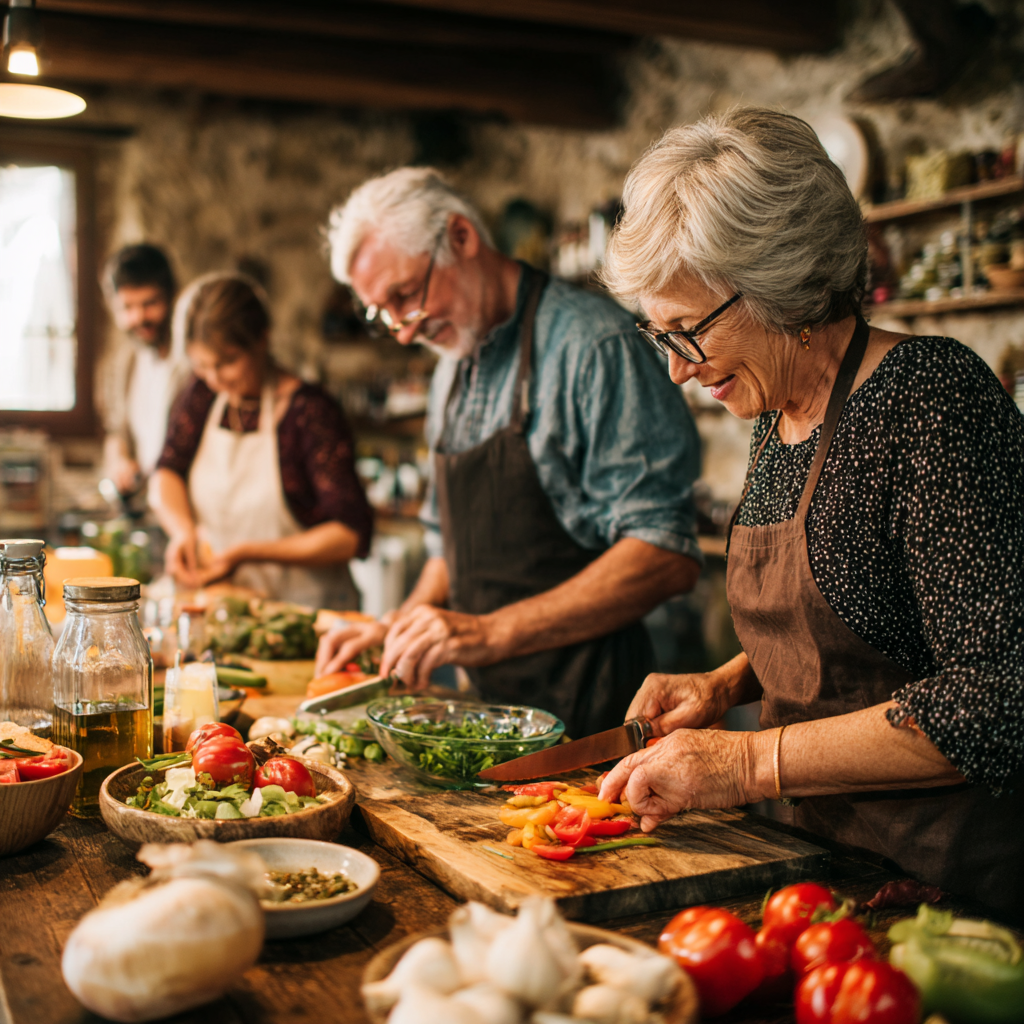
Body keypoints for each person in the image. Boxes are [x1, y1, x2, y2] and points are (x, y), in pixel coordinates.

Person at [595, 108, 1024, 921]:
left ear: (779, 279)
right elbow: (865, 611)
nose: (682, 373)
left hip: (949, 897)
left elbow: (999, 697)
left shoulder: (928, 402)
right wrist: (724, 686)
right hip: (817, 866)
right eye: (664, 339)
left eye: (690, 333)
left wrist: (744, 766)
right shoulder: (777, 412)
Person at [317, 168, 703, 737]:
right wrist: (399, 627)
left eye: (405, 297)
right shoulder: (451, 367)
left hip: (598, 718)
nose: (402, 331)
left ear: (462, 238)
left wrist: (487, 634)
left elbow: (663, 554)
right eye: (384, 314)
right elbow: (449, 545)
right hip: (487, 717)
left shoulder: (594, 347)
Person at [149, 272, 373, 608]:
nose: (214, 379)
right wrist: (183, 531)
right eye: (202, 366)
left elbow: (349, 536)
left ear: (262, 340)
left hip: (306, 613)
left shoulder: (310, 412)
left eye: (227, 362)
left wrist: (249, 552)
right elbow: (167, 471)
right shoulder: (202, 394)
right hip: (225, 608)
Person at [102, 244, 187, 495]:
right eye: (127, 307)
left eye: (150, 303)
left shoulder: (192, 363)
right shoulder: (126, 362)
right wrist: (119, 461)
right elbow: (118, 431)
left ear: (172, 296)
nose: (139, 317)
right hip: (147, 508)